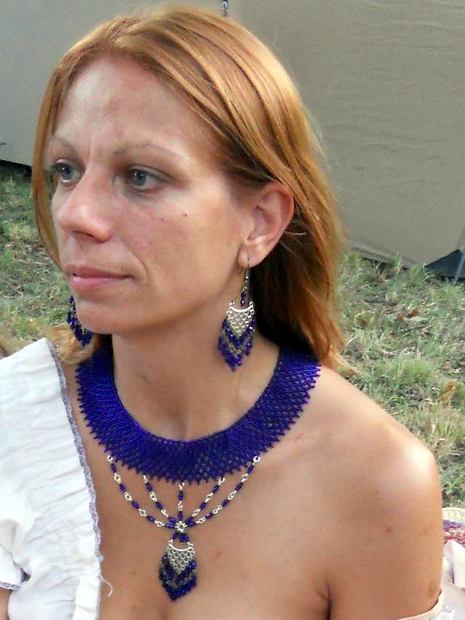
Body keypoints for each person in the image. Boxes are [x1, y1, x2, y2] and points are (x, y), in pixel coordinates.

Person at [0, 4, 456, 619]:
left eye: (141, 176)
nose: (76, 213)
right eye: (66, 170)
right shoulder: (18, 422)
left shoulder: (376, 484)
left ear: (260, 222)